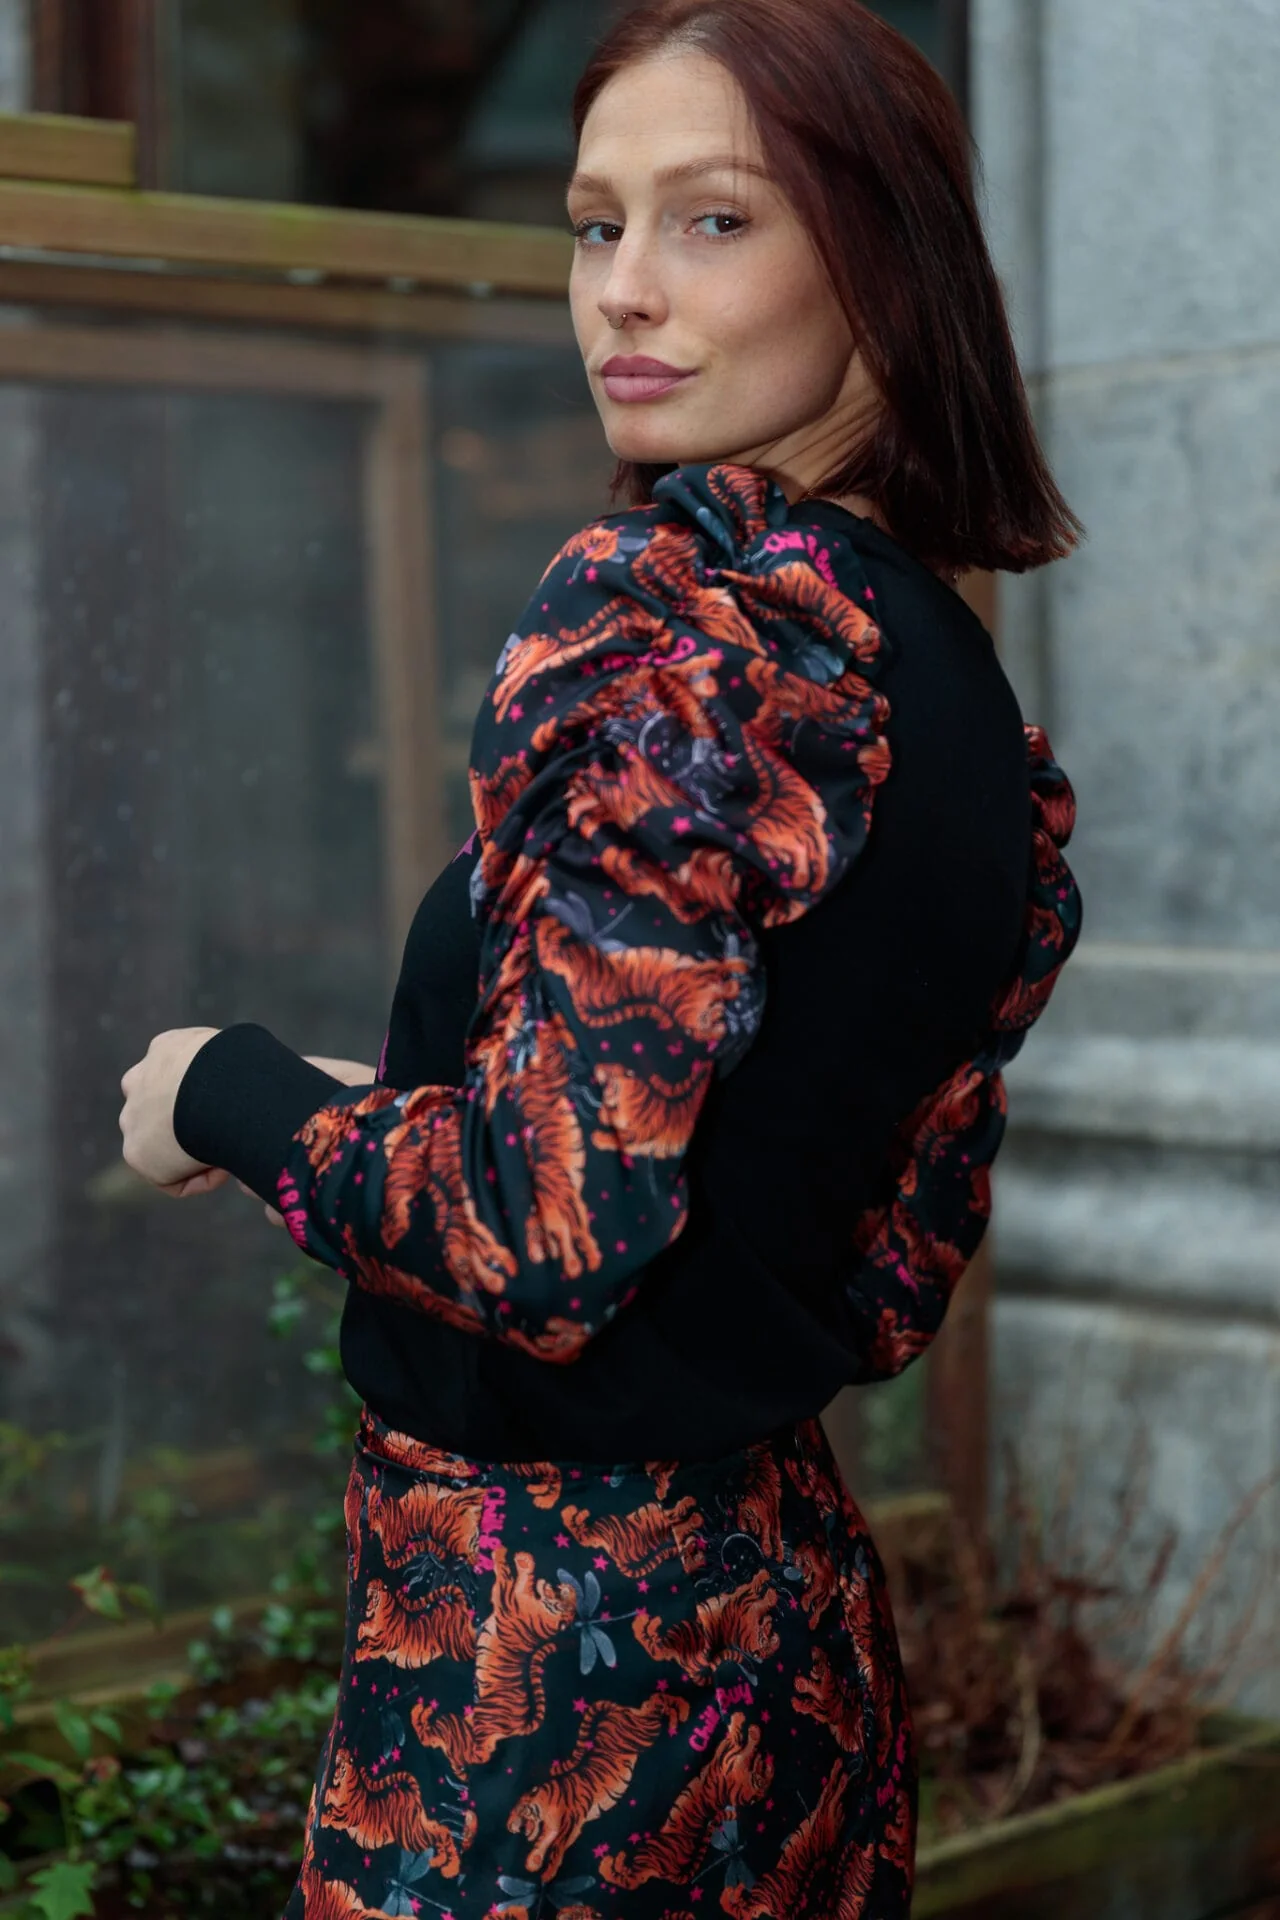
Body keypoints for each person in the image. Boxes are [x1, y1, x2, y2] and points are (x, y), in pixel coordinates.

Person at [118, 1, 1083, 1913]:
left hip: (541, 1686)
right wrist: (407, 1102)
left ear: (881, 258)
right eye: (593, 223)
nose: (625, 288)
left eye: (714, 220)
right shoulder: (963, 701)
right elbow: (865, 1250)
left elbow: (550, 1232)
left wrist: (223, 1092)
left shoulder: (673, 623)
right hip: (788, 1658)